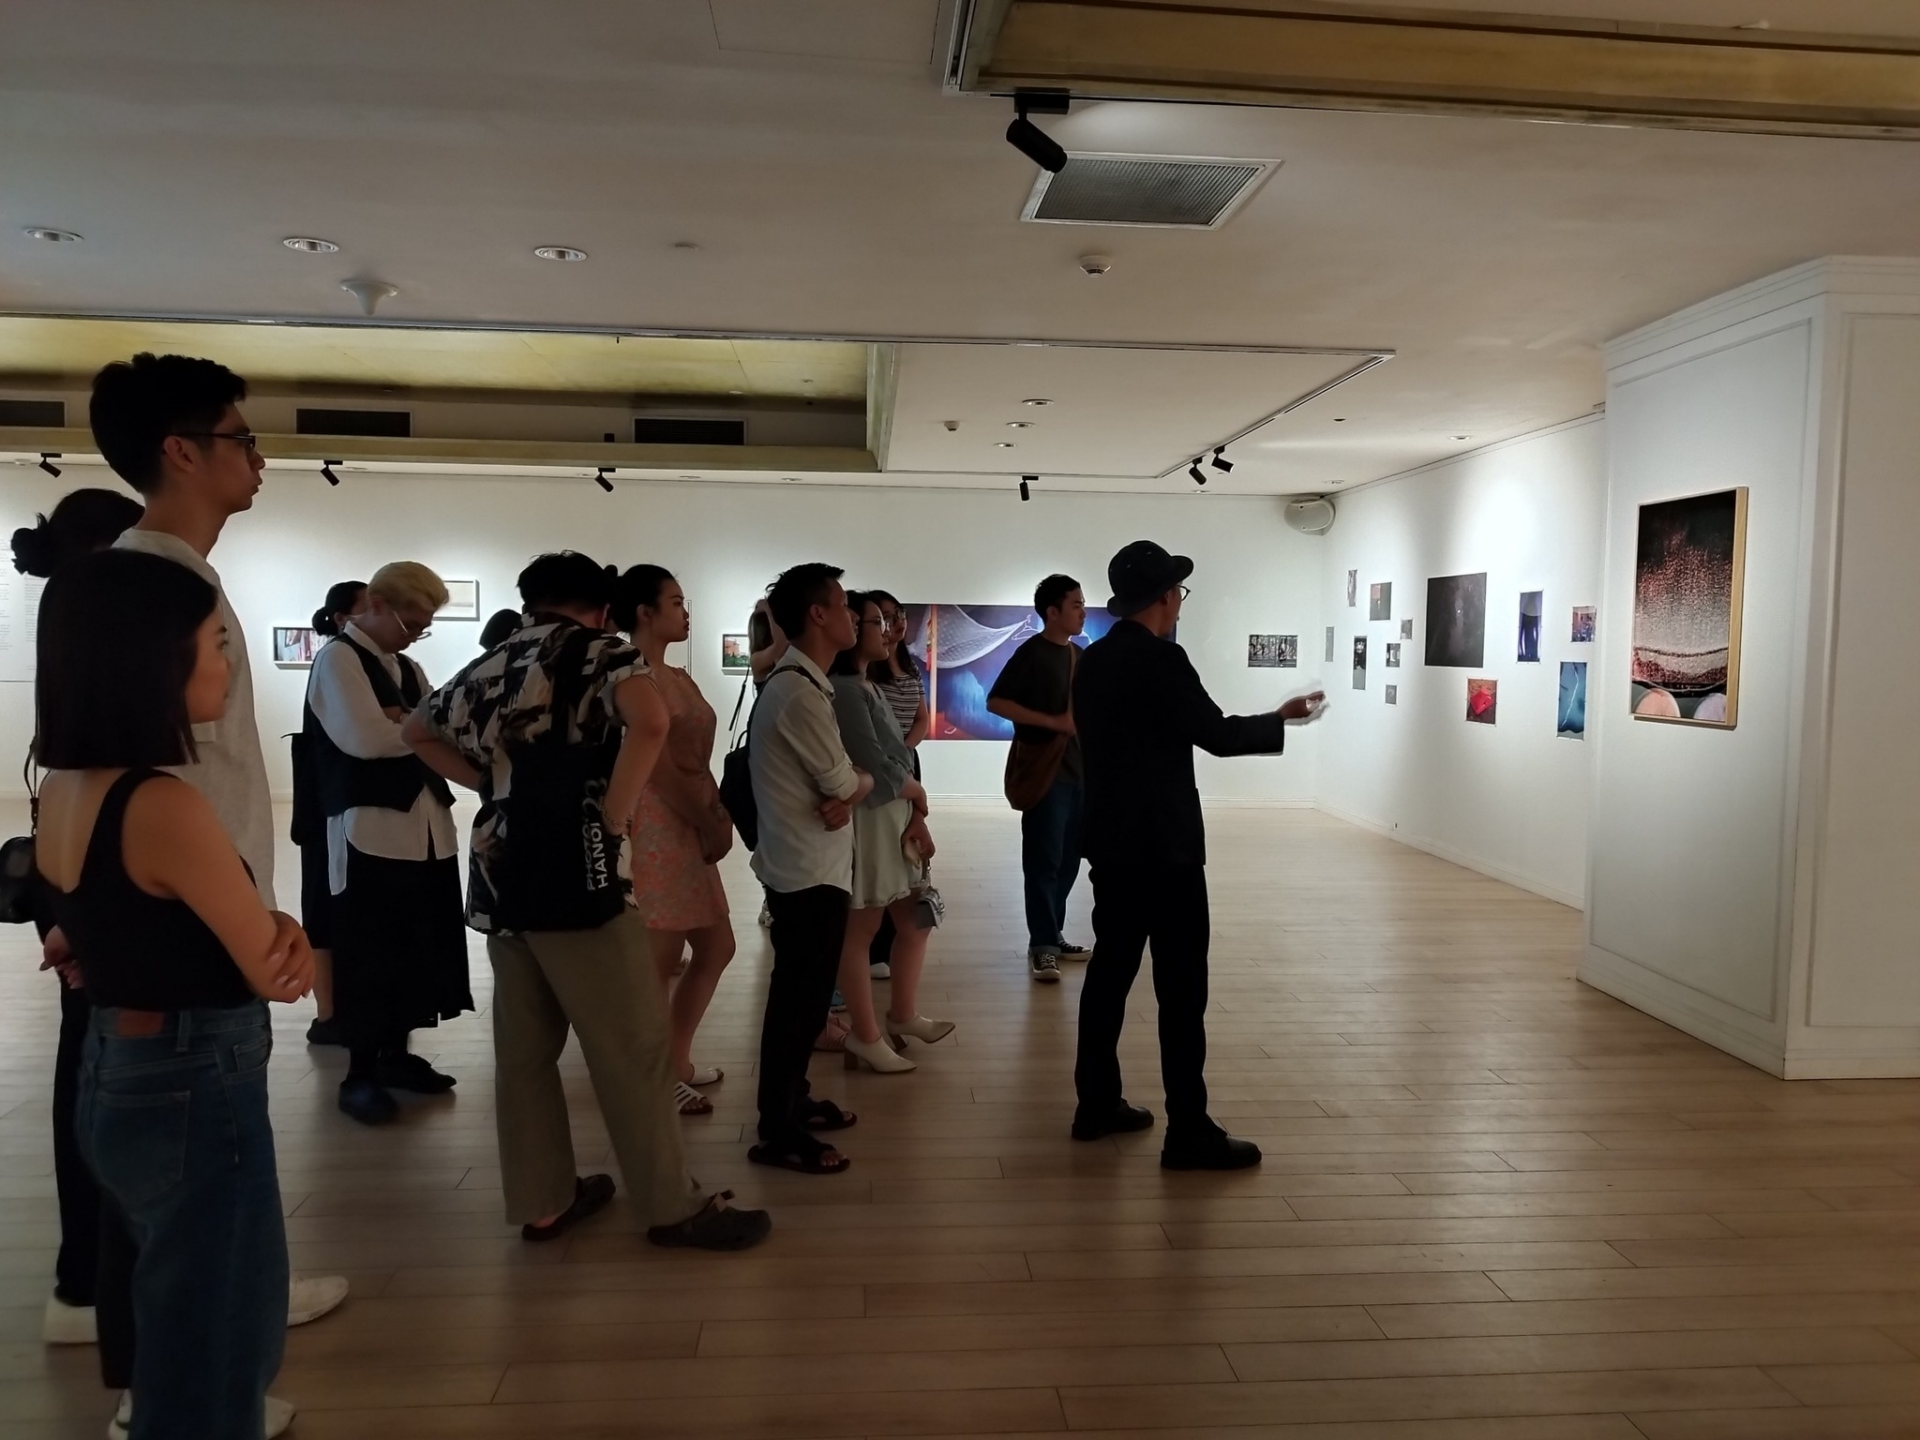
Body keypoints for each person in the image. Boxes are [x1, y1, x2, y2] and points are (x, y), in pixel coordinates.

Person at [84, 353, 347, 1427]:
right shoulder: (159, 586)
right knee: (210, 1271)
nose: (259, 459)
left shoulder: (164, 577)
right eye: (241, 439)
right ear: (180, 452)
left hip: (192, 954)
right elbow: (164, 793)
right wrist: (250, 930)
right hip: (196, 967)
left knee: (206, 1257)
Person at [405, 552, 769, 1250]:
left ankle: (543, 1202)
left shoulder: (491, 662)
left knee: (524, 1051)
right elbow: (650, 723)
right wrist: (613, 814)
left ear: (531, 601)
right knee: (633, 1046)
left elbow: (414, 732)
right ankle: (671, 1206)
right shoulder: (604, 653)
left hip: (502, 873)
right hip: (582, 870)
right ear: (602, 609)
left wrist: (491, 787)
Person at [35, 548, 315, 1440]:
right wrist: (288, 930)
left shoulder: (66, 786)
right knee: (220, 1331)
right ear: (154, 659)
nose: (227, 664)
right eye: (214, 643)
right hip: (191, 1076)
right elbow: (273, 970)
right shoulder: (165, 806)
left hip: (115, 1063)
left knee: (177, 1308)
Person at [1071, 541, 1324, 1170]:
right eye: (1178, 592)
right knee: (1181, 991)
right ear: (1165, 597)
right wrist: (1280, 718)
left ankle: (1095, 1103)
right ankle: (1188, 1129)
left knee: (1109, 977)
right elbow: (1216, 734)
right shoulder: (1163, 659)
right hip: (1167, 852)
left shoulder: (1093, 661)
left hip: (1112, 847)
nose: (1180, 602)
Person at [11, 489, 144, 1351]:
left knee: (93, 1074)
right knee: (111, 1080)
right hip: (104, 884)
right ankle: (109, 1290)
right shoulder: (98, 629)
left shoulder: (68, 622)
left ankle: (90, 1277)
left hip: (79, 876)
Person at [303, 562, 472, 1125]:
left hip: (426, 829)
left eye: (423, 626)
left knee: (415, 947)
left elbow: (441, 727)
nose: (416, 635)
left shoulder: (407, 666)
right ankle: (359, 1073)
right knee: (368, 952)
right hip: (369, 829)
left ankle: (397, 1055)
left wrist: (406, 721)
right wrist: (414, 726)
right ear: (375, 604)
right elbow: (365, 738)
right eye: (410, 623)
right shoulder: (337, 659)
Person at [747, 563, 871, 1174]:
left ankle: (792, 1100)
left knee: (806, 999)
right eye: (844, 605)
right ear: (818, 614)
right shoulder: (798, 691)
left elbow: (836, 787)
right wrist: (859, 784)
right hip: (805, 872)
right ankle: (778, 1130)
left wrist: (845, 790)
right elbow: (843, 782)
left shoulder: (803, 683)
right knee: (796, 1005)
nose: (854, 617)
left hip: (813, 865)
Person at [613, 564, 736, 1116]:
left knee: (716, 946)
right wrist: (708, 820)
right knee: (657, 960)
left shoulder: (676, 676)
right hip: (656, 825)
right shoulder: (631, 676)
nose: (686, 613)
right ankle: (652, 1078)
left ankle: (675, 1060)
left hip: (689, 820)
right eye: (676, 603)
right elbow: (658, 768)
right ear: (645, 612)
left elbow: (695, 758)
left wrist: (716, 812)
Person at [829, 592, 949, 1075]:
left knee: (915, 918)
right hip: (872, 817)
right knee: (861, 928)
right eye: (877, 622)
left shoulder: (865, 686)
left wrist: (916, 807)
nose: (890, 630)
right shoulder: (845, 690)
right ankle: (865, 1035)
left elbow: (895, 755)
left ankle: (902, 1013)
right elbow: (874, 765)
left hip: (895, 813)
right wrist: (916, 793)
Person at [987, 573, 1092, 983]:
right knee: (1043, 861)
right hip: (1046, 774)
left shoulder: (1079, 655)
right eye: (1076, 605)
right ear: (1053, 612)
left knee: (1068, 860)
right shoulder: (1030, 653)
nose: (1083, 611)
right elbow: (997, 702)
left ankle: (1053, 934)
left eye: (1083, 604)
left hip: (1080, 773)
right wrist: (1052, 722)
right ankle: (1043, 946)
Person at [294, 579, 368, 1048]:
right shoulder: (336, 660)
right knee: (322, 906)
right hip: (325, 805)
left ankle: (338, 1012)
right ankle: (328, 1015)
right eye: (369, 607)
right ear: (342, 618)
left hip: (334, 802)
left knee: (334, 906)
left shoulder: (351, 659)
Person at [863, 589, 927, 982]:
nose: (896, 622)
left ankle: (887, 947)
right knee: (881, 856)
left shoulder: (910, 664)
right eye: (885, 616)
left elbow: (921, 717)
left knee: (905, 848)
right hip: (879, 766)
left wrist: (904, 749)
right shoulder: (868, 670)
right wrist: (891, 756)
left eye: (898, 613)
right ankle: (870, 948)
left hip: (905, 761)